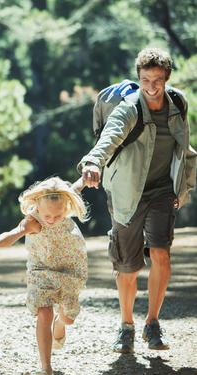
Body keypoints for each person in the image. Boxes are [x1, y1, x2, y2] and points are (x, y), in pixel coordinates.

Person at [79, 47, 197, 353]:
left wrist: (184, 187)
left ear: (167, 79)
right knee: (128, 266)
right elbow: (110, 137)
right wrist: (92, 162)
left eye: (157, 80)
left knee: (161, 254)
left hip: (161, 191)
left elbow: (185, 149)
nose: (151, 86)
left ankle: (152, 323)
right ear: (139, 77)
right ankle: (126, 325)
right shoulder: (129, 109)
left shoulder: (177, 104)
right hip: (126, 193)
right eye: (145, 79)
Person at [0, 177, 88, 375]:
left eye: (59, 214)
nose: (52, 219)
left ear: (66, 206)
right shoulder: (34, 221)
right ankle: (46, 368)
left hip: (70, 270)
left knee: (68, 318)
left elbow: (76, 187)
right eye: (48, 214)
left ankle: (61, 322)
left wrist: (87, 177)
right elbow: (12, 234)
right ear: (37, 204)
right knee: (44, 312)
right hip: (41, 270)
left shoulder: (63, 199)